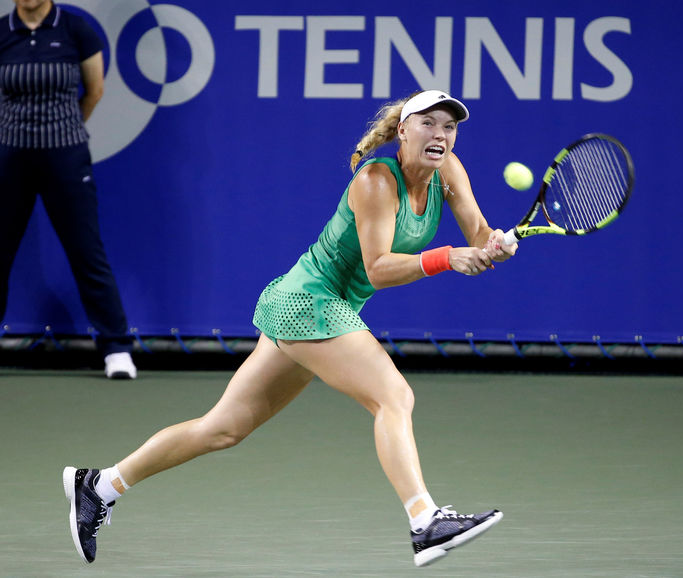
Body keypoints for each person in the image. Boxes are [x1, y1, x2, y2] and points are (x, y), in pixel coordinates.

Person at [62, 89, 518, 567]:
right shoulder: (377, 181)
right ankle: (425, 522)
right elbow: (380, 267)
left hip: (320, 306)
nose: (440, 134)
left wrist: (494, 244)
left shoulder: (450, 171)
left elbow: (478, 233)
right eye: (429, 123)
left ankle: (100, 485)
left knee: (223, 429)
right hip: (308, 301)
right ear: (402, 130)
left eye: (449, 126)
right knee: (394, 397)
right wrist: (448, 258)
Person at [0, 0, 136, 379]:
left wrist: (61, 134)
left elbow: (94, 91)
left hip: (65, 157)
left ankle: (116, 350)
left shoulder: (76, 30)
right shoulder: (2, 32)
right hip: (9, 158)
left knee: (86, 252)